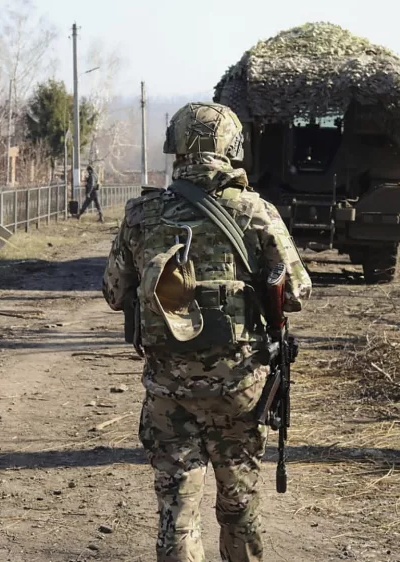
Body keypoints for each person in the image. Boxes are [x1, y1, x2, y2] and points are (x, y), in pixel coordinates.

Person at [102, 102, 312, 561]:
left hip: (168, 390)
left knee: (177, 512)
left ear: (175, 147)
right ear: (233, 147)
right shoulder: (257, 211)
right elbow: (297, 290)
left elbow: (114, 293)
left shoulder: (142, 214)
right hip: (240, 389)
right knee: (239, 508)